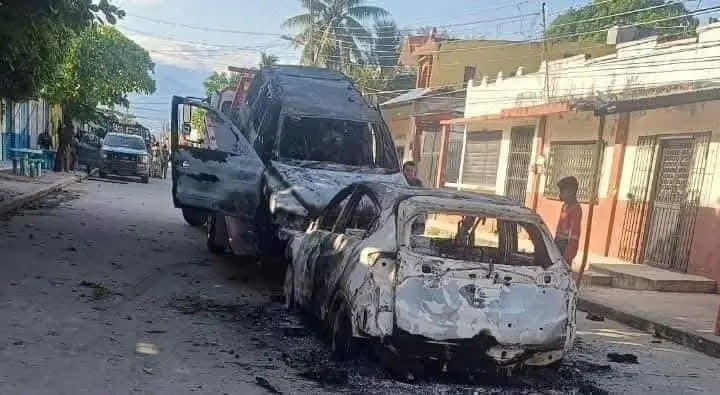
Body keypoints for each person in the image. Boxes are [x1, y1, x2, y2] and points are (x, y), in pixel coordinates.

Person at [555, 176, 582, 265]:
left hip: (565, 247)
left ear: (570, 191)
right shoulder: (565, 206)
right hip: (558, 246)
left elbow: (574, 236)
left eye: (562, 191)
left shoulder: (576, 209)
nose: (560, 194)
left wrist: (567, 257)